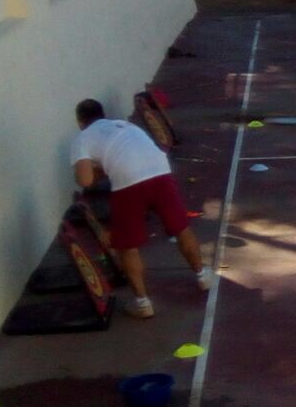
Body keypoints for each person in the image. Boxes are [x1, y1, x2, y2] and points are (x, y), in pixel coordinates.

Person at [70, 99, 209, 317]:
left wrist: (100, 170)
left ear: (80, 121)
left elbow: (84, 181)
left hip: (127, 183)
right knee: (180, 227)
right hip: (160, 171)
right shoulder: (124, 125)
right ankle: (202, 276)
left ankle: (142, 303)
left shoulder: (83, 138)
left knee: (127, 245)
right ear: (102, 115)